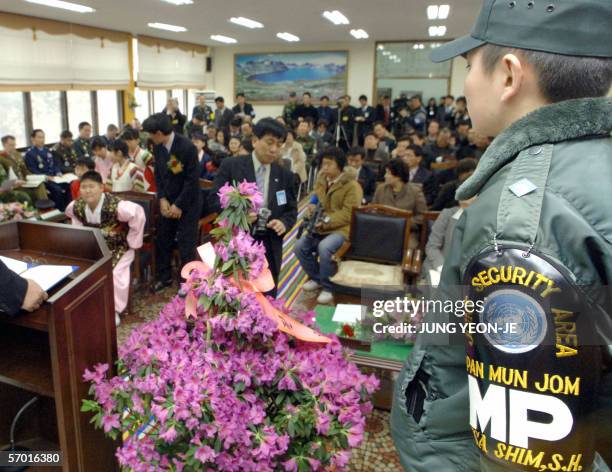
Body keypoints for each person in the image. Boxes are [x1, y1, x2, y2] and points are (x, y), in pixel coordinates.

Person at [391, 2, 612, 471]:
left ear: (509, 75)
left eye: (470, 66)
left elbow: (526, 452)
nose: (467, 84)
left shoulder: (523, 218)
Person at [210, 118, 297, 297]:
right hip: (237, 240)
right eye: (269, 142)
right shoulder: (231, 166)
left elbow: (291, 210)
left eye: (279, 144)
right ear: (255, 140)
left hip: (270, 243)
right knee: (234, 293)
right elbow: (214, 200)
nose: (274, 149)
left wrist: (283, 223)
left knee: (267, 293)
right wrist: (239, 215)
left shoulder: (285, 175)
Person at [65, 171, 145, 325]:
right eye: (84, 187)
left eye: (92, 186)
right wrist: (80, 238)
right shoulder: (77, 205)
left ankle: (113, 310)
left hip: (118, 247)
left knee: (114, 274)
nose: (88, 191)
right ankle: (87, 305)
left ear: (101, 187)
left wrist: (133, 241)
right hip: (93, 247)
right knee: (79, 268)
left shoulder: (117, 205)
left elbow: (138, 214)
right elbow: (73, 216)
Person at [294, 147, 362, 305]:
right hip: (320, 226)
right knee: (299, 247)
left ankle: (328, 288)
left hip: (342, 228)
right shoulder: (322, 180)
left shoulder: (352, 186)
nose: (324, 168)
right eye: (323, 164)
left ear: (340, 166)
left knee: (324, 248)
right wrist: (312, 212)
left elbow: (348, 214)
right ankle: (318, 279)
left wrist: (326, 220)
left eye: (329, 164)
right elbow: (316, 201)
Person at [143, 113, 201, 293]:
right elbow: (159, 176)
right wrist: (162, 199)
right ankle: (164, 277)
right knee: (163, 240)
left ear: (159, 133)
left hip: (188, 203)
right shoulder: (158, 147)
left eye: (151, 134)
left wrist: (179, 205)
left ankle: (187, 282)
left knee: (186, 244)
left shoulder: (187, 147)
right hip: (167, 202)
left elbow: (192, 181)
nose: (150, 138)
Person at [372, 158, 427, 244]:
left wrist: (404, 222)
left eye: (388, 173)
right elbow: (373, 210)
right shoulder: (381, 189)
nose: (385, 176)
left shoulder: (415, 192)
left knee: (410, 246)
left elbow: (422, 216)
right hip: (382, 229)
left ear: (398, 176)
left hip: (407, 232)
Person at [24, 129, 71, 211]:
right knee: (57, 190)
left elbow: (55, 164)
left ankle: (69, 209)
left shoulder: (48, 150)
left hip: (55, 177)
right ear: (33, 139)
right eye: (39, 137)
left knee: (70, 185)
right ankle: (60, 212)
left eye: (43, 137)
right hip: (44, 179)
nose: (42, 140)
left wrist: (58, 172)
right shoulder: (30, 154)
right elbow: (33, 170)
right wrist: (46, 177)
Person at [0, 135, 48, 203]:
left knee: (41, 184)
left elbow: (25, 170)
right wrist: (14, 183)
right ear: (4, 145)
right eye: (11, 145)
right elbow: (4, 180)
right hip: (14, 185)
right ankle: (39, 208)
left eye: (14, 145)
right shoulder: (1, 158)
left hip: (24, 181)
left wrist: (33, 177)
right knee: (27, 195)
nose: (14, 147)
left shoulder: (17, 154)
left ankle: (45, 207)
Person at [122, 127, 155, 192]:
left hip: (144, 187)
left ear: (138, 140)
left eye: (130, 140)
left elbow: (154, 171)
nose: (127, 143)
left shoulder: (145, 154)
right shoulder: (124, 156)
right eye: (125, 141)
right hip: (129, 188)